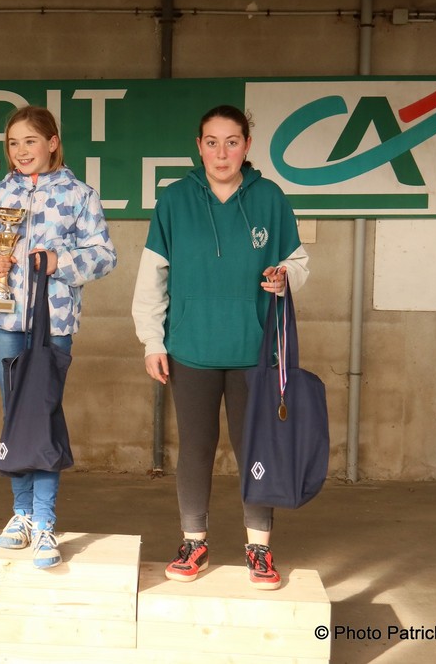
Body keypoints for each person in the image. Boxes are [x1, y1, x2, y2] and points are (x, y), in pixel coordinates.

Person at [132, 105, 310, 590]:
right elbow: (152, 276)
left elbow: (298, 261)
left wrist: (285, 276)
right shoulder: (175, 200)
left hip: (255, 351)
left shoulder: (270, 198)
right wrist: (152, 340)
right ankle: (194, 542)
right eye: (212, 142)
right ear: (199, 146)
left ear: (247, 146)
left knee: (257, 448)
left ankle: (259, 548)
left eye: (232, 142)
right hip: (191, 348)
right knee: (195, 447)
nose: (222, 152)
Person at [0, 105, 117, 570]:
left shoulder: (79, 195)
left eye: (30, 141)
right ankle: (22, 514)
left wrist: (58, 262)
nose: (21, 150)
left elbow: (104, 255)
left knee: (43, 414)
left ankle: (46, 520)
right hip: (4, 320)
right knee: (15, 415)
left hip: (55, 320)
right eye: (13, 143)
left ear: (52, 142)